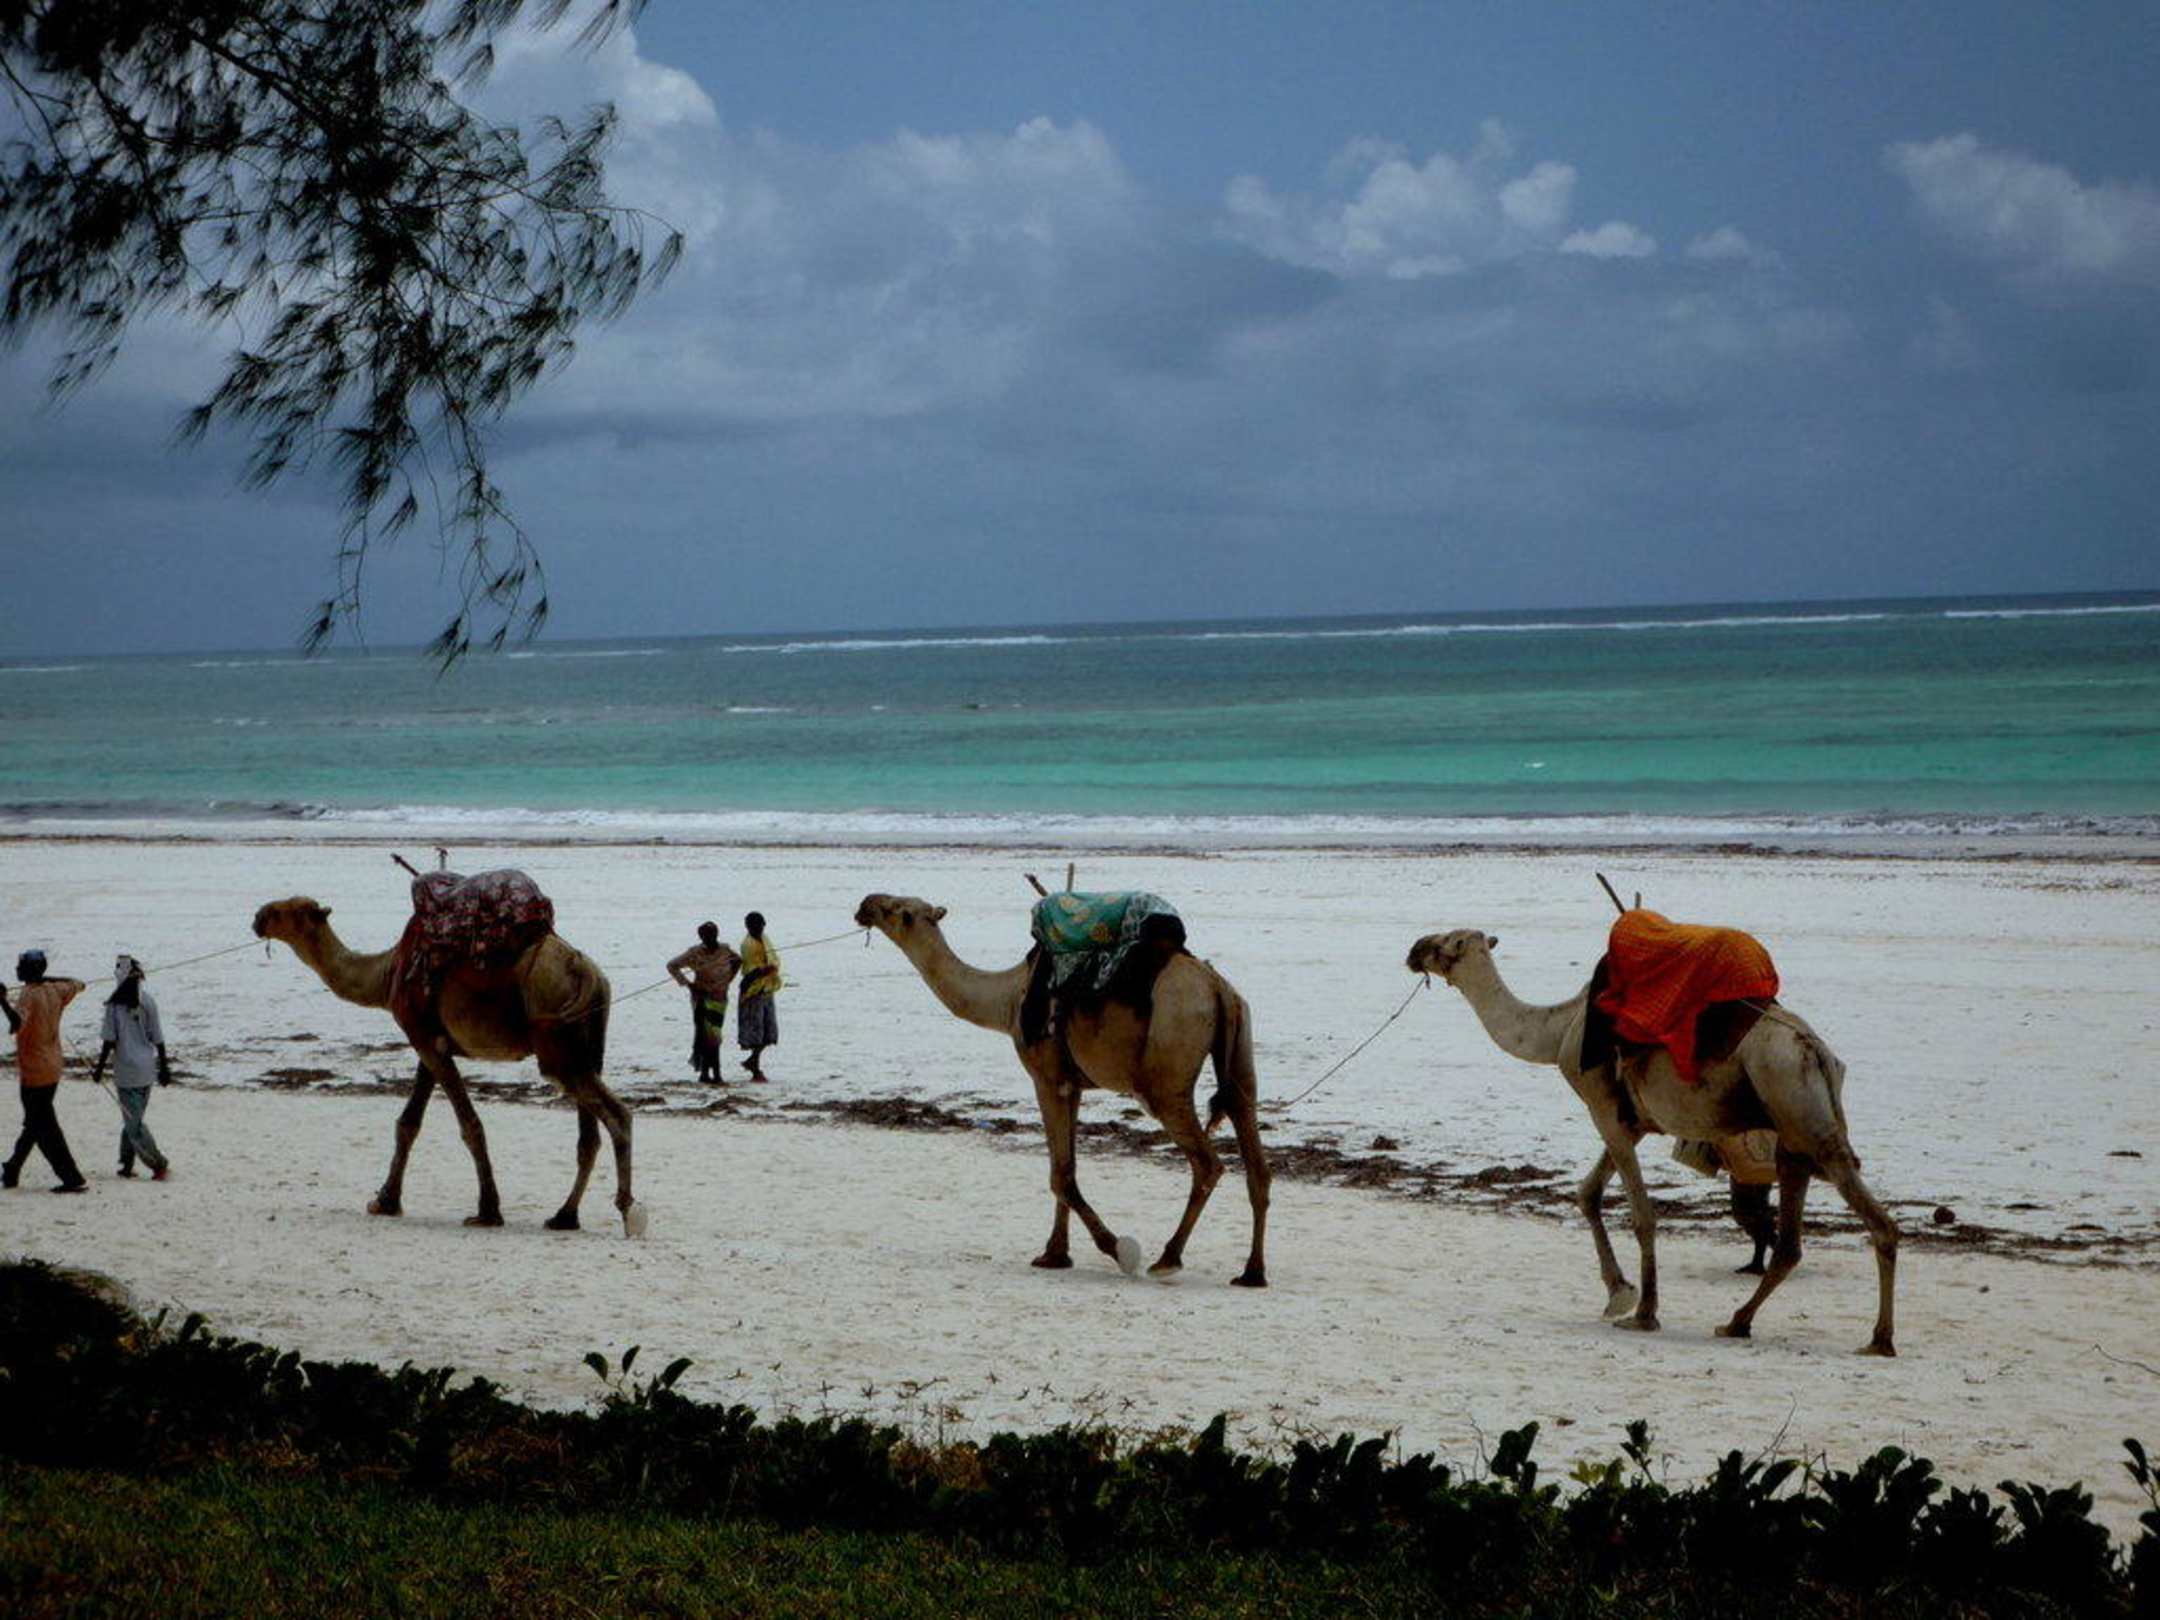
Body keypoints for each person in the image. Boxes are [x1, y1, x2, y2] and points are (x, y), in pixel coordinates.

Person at [2, 949, 89, 1193]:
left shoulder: (28, 996)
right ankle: (12, 1168)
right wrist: (45, 978)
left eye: (20, 966)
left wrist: (2, 1001)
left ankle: (71, 1178)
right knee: (35, 1122)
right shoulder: (56, 989)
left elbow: (16, 1023)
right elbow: (78, 983)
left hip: (34, 1071)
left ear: (29, 970)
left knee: (44, 1128)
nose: (16, 969)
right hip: (52, 1067)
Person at [91, 955, 173, 1180]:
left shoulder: (115, 1006)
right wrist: (164, 1068)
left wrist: (99, 1069)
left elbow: (109, 1041)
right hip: (146, 1071)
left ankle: (158, 1164)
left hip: (128, 1075)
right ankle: (126, 1164)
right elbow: (159, 1039)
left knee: (134, 1124)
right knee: (133, 1119)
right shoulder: (147, 1001)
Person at [666, 922, 740, 1084]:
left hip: (719, 999)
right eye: (706, 935)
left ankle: (711, 1073)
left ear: (717, 934)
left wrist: (728, 979)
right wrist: (689, 985)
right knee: (706, 1036)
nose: (710, 938)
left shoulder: (725, 950)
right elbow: (672, 965)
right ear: (701, 937)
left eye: (713, 934)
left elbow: (738, 961)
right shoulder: (694, 953)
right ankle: (711, 1073)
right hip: (701, 1000)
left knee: (714, 1036)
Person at [736, 912, 782, 1083]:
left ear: (764, 924)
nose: (756, 929)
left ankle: (753, 1061)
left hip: (767, 988)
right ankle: (755, 1067)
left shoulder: (765, 938)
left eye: (759, 925)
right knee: (755, 1031)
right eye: (752, 926)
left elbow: (774, 958)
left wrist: (771, 968)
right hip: (753, 991)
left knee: (769, 1032)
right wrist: (763, 970)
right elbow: (750, 972)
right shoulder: (747, 945)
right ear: (747, 927)